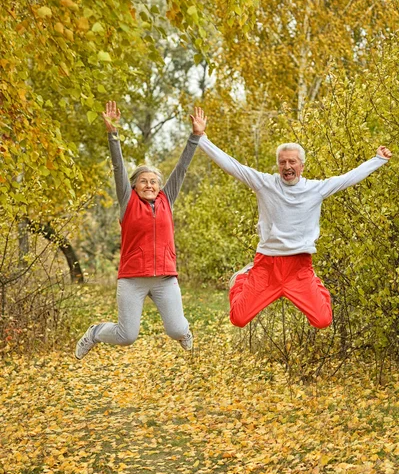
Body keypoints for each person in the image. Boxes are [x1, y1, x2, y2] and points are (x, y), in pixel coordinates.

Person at [191, 107, 392, 329]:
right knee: (238, 319)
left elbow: (348, 178)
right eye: (283, 162)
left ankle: (314, 282)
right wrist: (202, 138)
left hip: (299, 268)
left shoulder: (316, 189)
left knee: (323, 320)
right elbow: (233, 166)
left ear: (302, 166)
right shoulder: (264, 184)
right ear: (278, 165)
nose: (287, 166)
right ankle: (242, 277)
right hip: (267, 266)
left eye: (292, 162)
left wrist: (378, 160)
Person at [75, 101, 207, 359]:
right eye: (143, 181)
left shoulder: (167, 199)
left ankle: (185, 333)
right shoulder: (128, 201)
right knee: (127, 336)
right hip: (133, 278)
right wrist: (112, 133)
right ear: (134, 186)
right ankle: (95, 332)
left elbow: (181, 169)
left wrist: (195, 136)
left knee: (177, 328)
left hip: (165, 278)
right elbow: (118, 168)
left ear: (160, 186)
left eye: (154, 181)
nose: (149, 185)